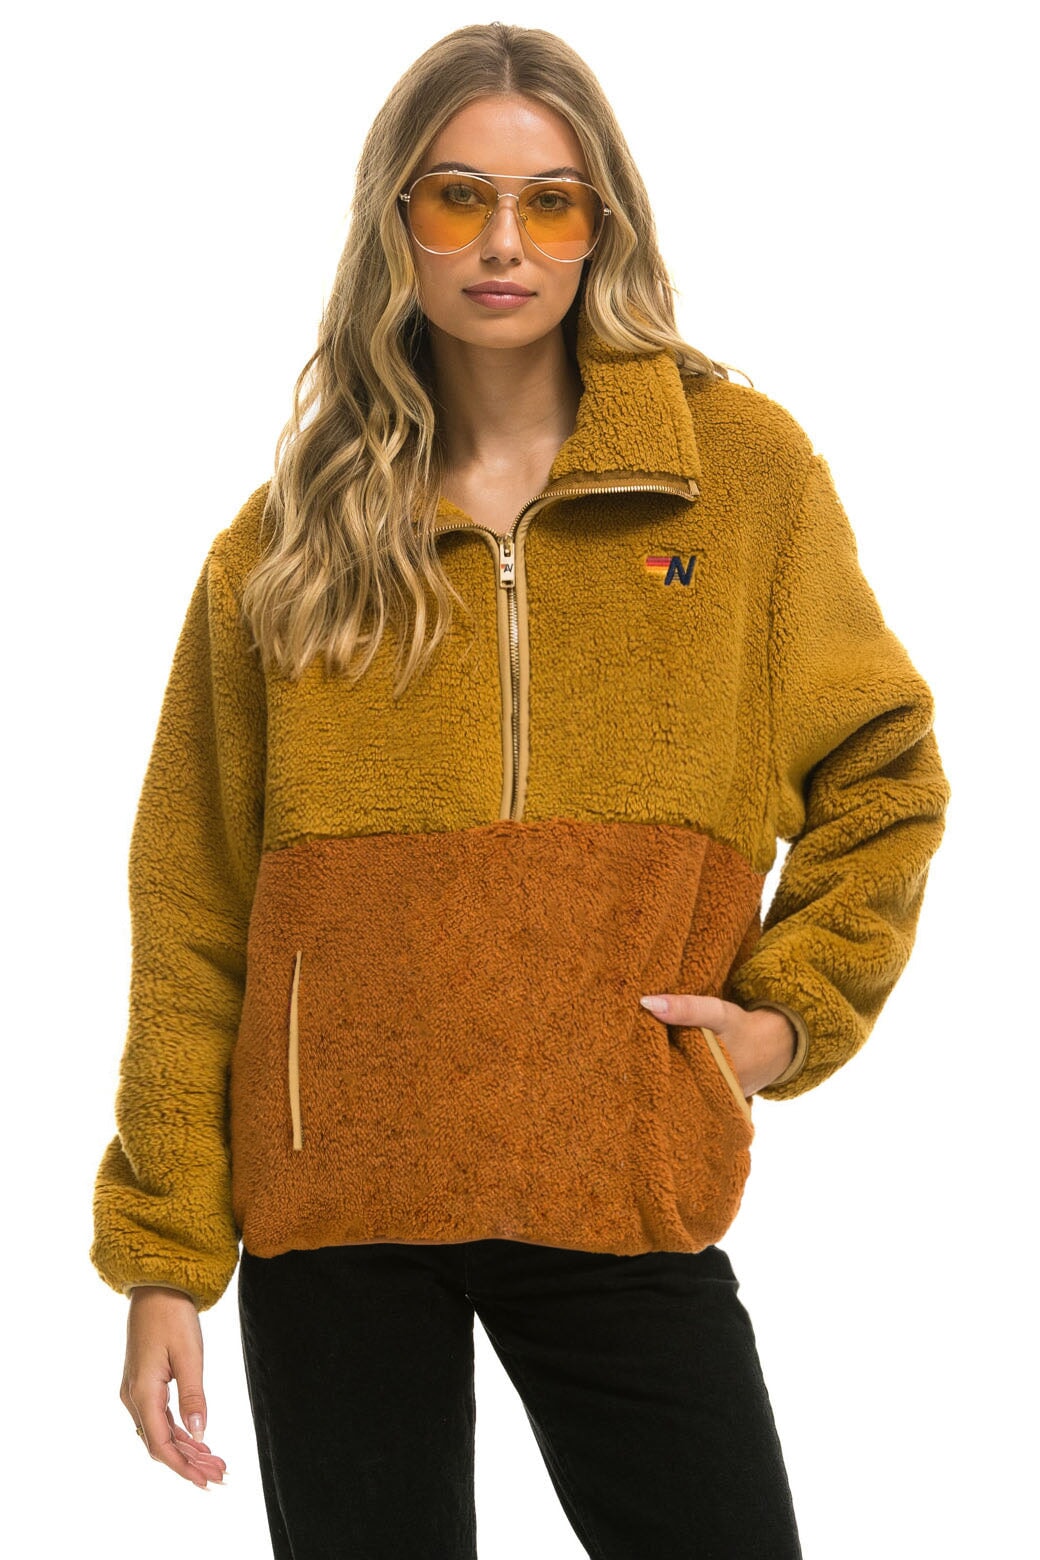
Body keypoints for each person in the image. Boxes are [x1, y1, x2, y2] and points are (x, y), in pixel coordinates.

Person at [91, 21, 950, 1558]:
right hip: (337, 1207)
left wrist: (780, 1023)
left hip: (616, 1171)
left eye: (549, 202)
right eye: (459, 198)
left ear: (600, 225)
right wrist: (165, 1255)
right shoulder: (285, 545)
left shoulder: (736, 480)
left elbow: (884, 772)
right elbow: (193, 908)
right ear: (397, 221)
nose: (504, 244)